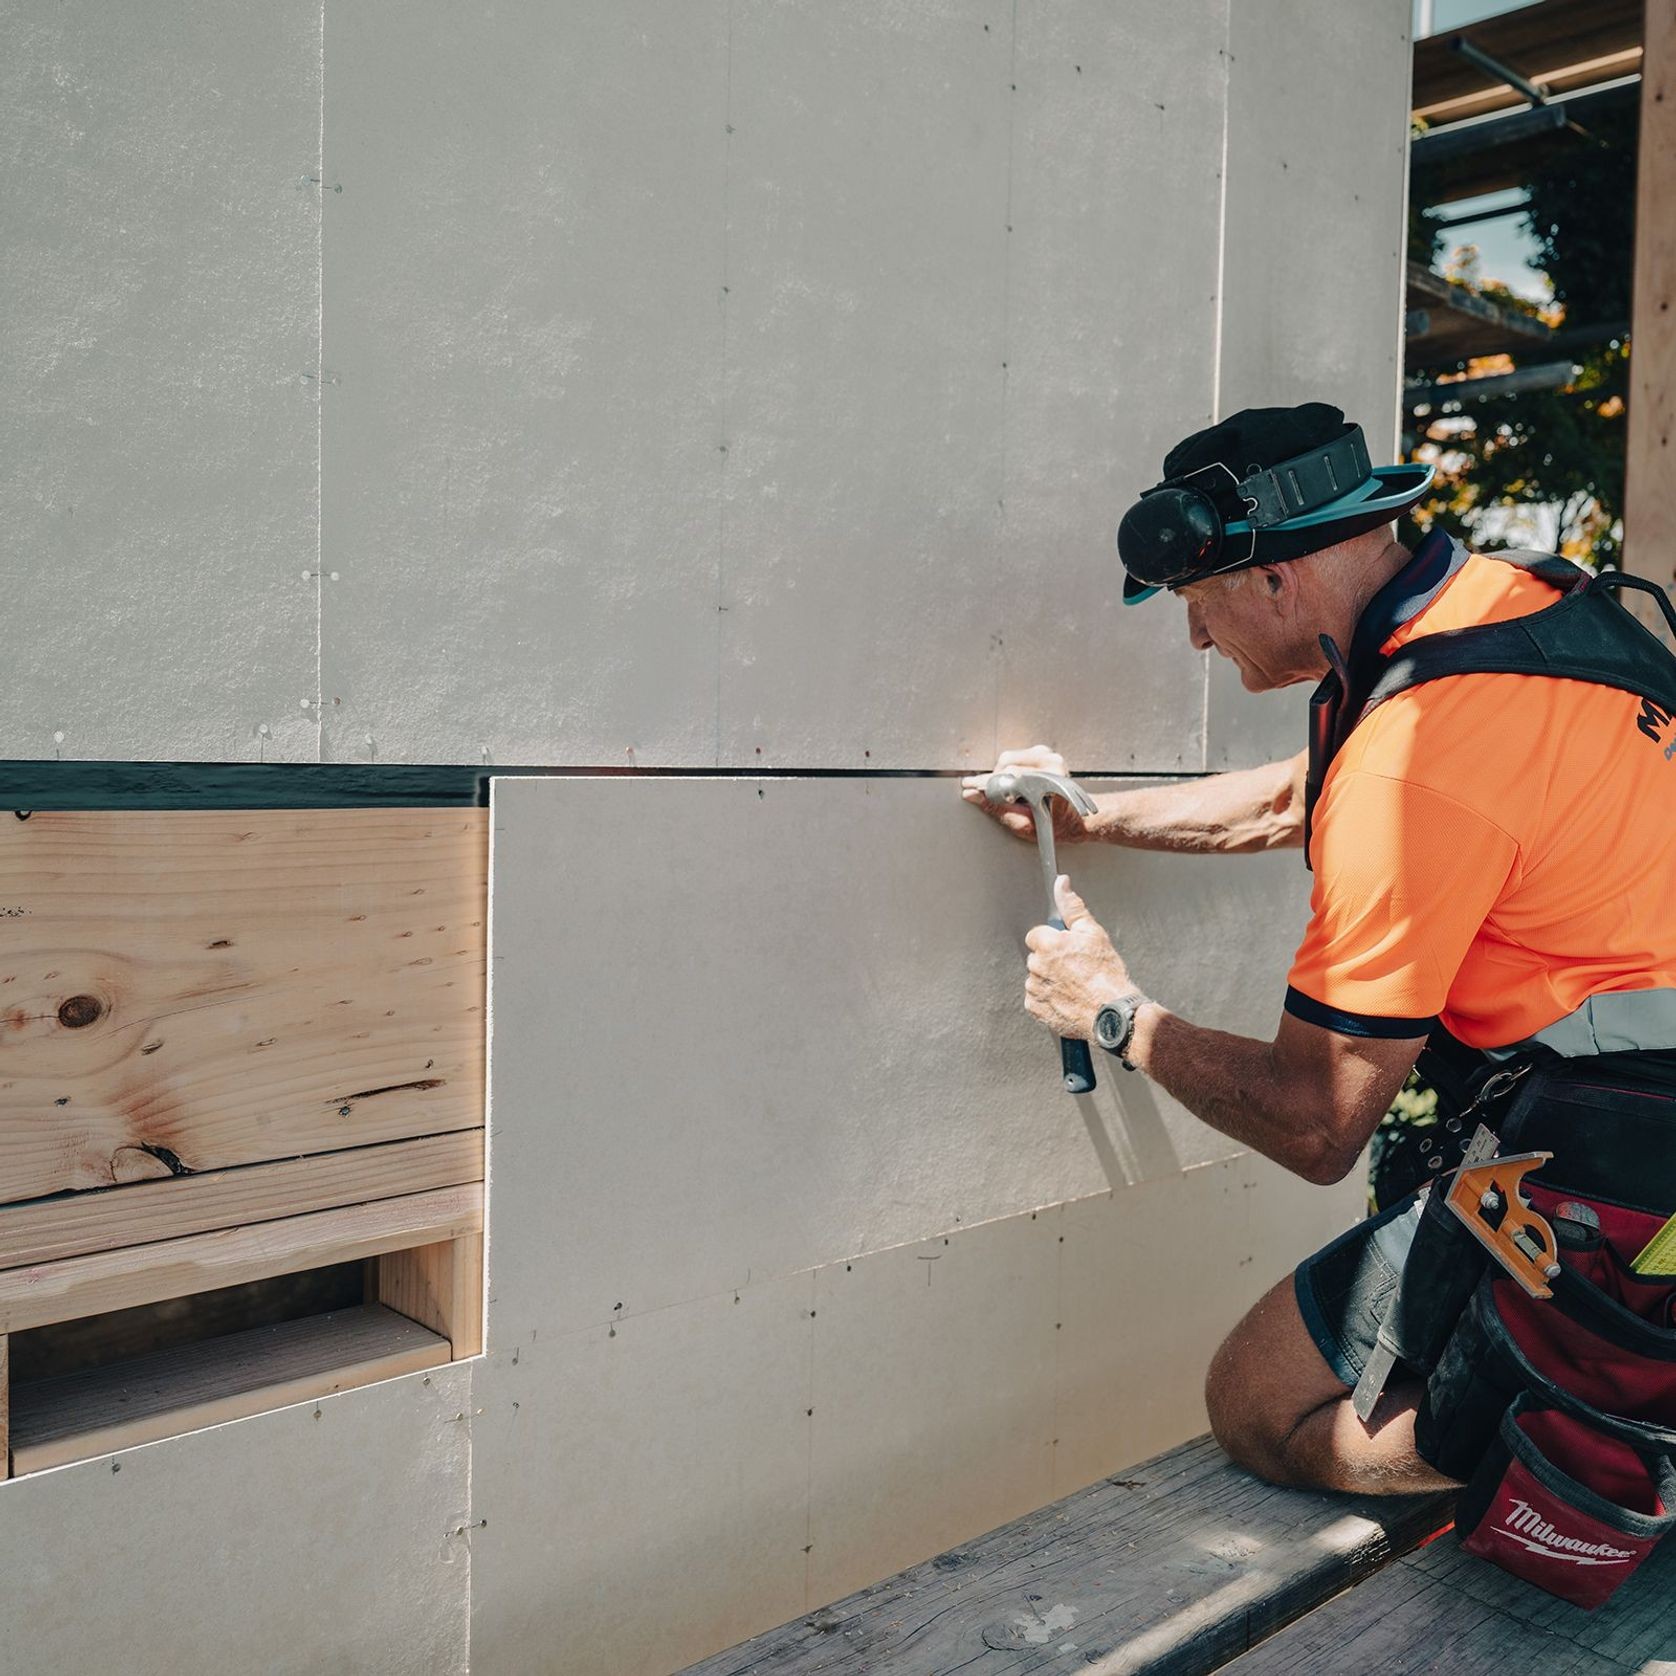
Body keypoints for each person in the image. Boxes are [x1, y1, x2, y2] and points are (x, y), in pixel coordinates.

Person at [963, 402, 1676, 1510]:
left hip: (1621, 1145)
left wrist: (1111, 1011)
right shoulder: (1510, 608)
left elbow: (1315, 1120)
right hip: (1632, 1096)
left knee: (1259, 1400)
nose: (1196, 638)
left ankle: (1633, 1445)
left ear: (1275, 583)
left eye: (1196, 605)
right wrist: (1099, 816)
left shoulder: (1411, 765)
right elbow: (1314, 794)